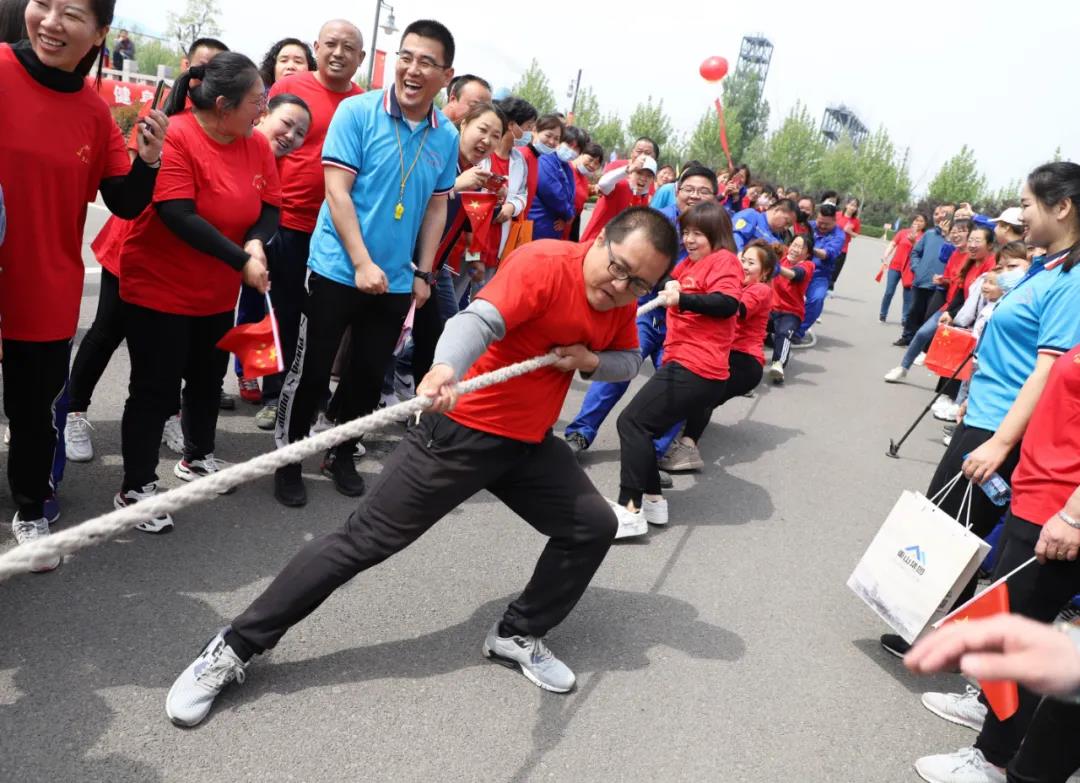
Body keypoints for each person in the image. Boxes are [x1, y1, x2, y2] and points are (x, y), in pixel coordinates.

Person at [164, 207, 677, 725]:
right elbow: (476, 321)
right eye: (619, 268)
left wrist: (589, 361)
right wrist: (445, 367)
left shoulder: (617, 299)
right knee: (360, 543)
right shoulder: (544, 264)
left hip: (527, 444)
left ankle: (516, 633)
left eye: (639, 284)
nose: (621, 287)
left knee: (593, 525)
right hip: (459, 435)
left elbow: (626, 361)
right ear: (599, 239)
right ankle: (234, 645)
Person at [880, 162, 1080, 660]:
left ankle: (944, 641)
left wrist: (1000, 443)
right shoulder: (1047, 266)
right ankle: (940, 633)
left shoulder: (1073, 280)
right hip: (986, 413)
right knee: (951, 527)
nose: (1021, 216)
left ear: (1062, 207)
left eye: (1027, 204)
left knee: (955, 530)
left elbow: (1045, 370)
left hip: (1001, 427)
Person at [1, 0, 166, 566]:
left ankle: (30, 509)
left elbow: (124, 201)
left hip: (46, 286)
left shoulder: (94, 112)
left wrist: (148, 161)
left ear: (100, 33)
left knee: (32, 413)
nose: (50, 22)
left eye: (70, 13)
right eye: (42, 4)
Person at [271, 19, 460, 508]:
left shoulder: (446, 135)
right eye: (406, 57)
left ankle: (341, 451)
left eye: (426, 63)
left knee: (368, 374)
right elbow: (337, 192)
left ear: (446, 76)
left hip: (395, 278)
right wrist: (359, 262)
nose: (412, 70)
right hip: (336, 267)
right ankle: (288, 457)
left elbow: (436, 207)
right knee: (312, 371)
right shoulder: (356, 112)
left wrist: (423, 272)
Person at [113, 52, 280, 534]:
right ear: (223, 105)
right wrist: (242, 261)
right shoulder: (179, 135)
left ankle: (197, 456)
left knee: (207, 380)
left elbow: (270, 207)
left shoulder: (255, 144)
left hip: (216, 292)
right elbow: (178, 214)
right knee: (155, 389)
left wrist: (255, 242)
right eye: (257, 102)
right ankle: (136, 488)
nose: (263, 111)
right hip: (160, 289)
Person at [912, 342, 1080, 783]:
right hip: (1040, 492)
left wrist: (1074, 514)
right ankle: (990, 713)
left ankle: (992, 759)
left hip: (1060, 506)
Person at [65, 37, 228, 460]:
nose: (204, 77)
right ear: (186, 67)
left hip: (180, 257)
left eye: (215, 69)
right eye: (199, 67)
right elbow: (135, 180)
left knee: (168, 346)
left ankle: (169, 414)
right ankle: (72, 410)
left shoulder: (228, 127)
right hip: (133, 244)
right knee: (107, 331)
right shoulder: (162, 114)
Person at [245, 20, 364, 430]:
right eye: (331, 44)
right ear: (317, 47)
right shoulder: (288, 88)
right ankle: (273, 392)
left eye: (348, 47)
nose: (338, 53)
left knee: (321, 319)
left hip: (333, 230)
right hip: (283, 221)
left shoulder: (362, 104)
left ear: (361, 57)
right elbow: (258, 144)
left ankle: (311, 394)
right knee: (277, 313)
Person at [563, 164, 718, 453]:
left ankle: (654, 452)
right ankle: (581, 432)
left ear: (716, 197)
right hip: (647, 312)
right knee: (617, 372)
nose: (695, 196)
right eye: (688, 189)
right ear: (677, 191)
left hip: (687, 325)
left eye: (703, 191)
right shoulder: (658, 222)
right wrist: (669, 283)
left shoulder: (720, 232)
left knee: (676, 387)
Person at [608, 201, 740, 538]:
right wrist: (667, 284)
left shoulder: (724, 260)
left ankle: (630, 510)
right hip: (685, 364)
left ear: (716, 234)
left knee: (632, 423)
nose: (690, 239)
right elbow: (666, 279)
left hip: (697, 368)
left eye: (698, 233)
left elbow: (728, 303)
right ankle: (653, 502)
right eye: (687, 232)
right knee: (641, 427)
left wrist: (683, 299)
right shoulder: (688, 264)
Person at [660, 239, 777, 473]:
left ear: (764, 273)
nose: (743, 266)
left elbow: (734, 309)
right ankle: (681, 432)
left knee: (703, 393)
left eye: (751, 263)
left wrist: (694, 299)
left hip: (744, 360)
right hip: (726, 353)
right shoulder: (736, 284)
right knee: (699, 396)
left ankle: (688, 447)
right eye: (742, 260)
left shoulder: (761, 290)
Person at [884, 224, 990, 384]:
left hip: (971, 315)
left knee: (959, 353)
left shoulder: (989, 264)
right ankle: (903, 367)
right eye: (953, 232)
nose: (956, 235)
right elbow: (959, 287)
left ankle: (952, 392)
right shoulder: (958, 255)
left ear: (989, 244)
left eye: (961, 232)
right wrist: (944, 282)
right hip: (952, 307)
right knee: (922, 333)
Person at [898, 203, 955, 345]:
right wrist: (917, 268)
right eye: (939, 213)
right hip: (921, 281)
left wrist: (948, 236)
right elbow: (915, 253)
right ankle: (907, 337)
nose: (942, 216)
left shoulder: (955, 239)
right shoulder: (929, 234)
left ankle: (922, 344)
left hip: (939, 285)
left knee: (929, 316)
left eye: (946, 213)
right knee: (914, 311)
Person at [791, 203, 846, 347]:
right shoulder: (809, 226)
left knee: (817, 299)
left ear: (834, 221)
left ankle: (798, 332)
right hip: (797, 269)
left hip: (819, 274)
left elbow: (827, 254)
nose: (821, 226)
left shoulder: (839, 235)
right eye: (820, 222)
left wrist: (808, 248)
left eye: (826, 224)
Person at [767, 232, 816, 384]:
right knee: (751, 322)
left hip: (791, 313)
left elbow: (795, 274)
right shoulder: (781, 255)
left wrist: (777, 269)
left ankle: (778, 365)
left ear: (807, 253)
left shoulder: (808, 266)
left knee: (783, 332)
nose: (795, 249)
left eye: (801, 248)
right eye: (794, 245)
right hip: (770, 309)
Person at [579, 152, 657, 245]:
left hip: (617, 248)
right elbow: (603, 184)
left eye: (649, 176)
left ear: (653, 180)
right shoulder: (620, 186)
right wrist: (628, 169)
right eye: (639, 173)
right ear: (631, 173)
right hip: (595, 243)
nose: (643, 178)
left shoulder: (644, 198)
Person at [530, 125, 585, 240]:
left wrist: (568, 215)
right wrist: (569, 214)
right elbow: (551, 192)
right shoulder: (546, 159)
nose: (571, 150)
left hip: (553, 226)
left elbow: (571, 197)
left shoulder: (567, 167)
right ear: (560, 141)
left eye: (576, 148)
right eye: (569, 144)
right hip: (539, 222)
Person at [879, 213, 927, 323]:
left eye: (921, 221)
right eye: (916, 220)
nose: (918, 223)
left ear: (925, 224)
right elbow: (893, 244)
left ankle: (905, 318)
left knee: (907, 295)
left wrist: (914, 242)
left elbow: (922, 252)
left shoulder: (925, 237)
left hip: (910, 268)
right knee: (889, 291)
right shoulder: (903, 232)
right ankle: (883, 313)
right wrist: (885, 255)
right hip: (896, 265)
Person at [566, 141, 602, 241]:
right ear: (581, 153)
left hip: (574, 222)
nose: (592, 165)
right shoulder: (566, 169)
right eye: (590, 159)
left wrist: (593, 190)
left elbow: (580, 191)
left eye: (596, 163)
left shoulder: (583, 177)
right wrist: (564, 217)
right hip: (562, 220)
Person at [731, 199, 796, 250]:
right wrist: (740, 255)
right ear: (777, 210)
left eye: (789, 226)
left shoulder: (778, 241)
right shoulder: (752, 215)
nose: (786, 228)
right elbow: (735, 237)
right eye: (787, 222)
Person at [830, 197, 860, 290]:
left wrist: (849, 231)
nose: (852, 207)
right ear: (846, 205)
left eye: (855, 206)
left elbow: (856, 235)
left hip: (843, 249)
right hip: (831, 246)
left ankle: (830, 289)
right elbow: (828, 226)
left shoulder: (856, 221)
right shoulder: (837, 215)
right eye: (851, 205)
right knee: (825, 268)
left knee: (835, 271)